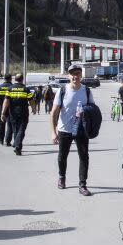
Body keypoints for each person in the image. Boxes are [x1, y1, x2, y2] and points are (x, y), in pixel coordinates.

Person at [49, 63, 94, 196]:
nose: (75, 76)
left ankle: (82, 185)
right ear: (69, 76)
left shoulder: (86, 90)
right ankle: (62, 177)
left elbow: (93, 109)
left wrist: (85, 111)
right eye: (73, 74)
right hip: (65, 129)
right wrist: (53, 132)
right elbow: (54, 112)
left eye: (78, 74)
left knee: (84, 157)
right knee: (62, 156)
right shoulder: (63, 91)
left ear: (81, 75)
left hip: (81, 130)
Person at [1, 74, 36, 156]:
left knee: (16, 129)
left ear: (15, 79)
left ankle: (17, 145)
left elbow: (6, 102)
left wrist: (3, 113)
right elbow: (31, 100)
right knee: (21, 129)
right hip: (23, 112)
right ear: (22, 79)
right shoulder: (26, 89)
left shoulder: (10, 89)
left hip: (12, 112)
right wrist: (34, 109)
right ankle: (17, 146)